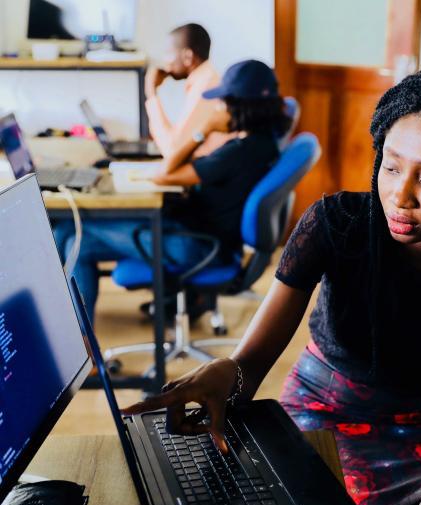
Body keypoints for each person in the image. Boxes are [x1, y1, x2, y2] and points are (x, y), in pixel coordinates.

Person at [124, 57, 421, 505]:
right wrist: (225, 375)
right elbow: (249, 364)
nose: (400, 195)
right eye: (391, 166)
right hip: (319, 415)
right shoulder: (337, 225)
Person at [55, 60, 291, 322]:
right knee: (68, 233)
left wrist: (203, 130)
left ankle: (80, 343)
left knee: (74, 237)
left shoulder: (238, 153)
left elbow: (165, 173)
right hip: (204, 237)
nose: (217, 107)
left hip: (196, 246)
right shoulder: (263, 144)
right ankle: (75, 334)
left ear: (239, 106)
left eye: (222, 101)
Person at [145, 23, 232, 163]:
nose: (165, 62)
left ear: (188, 56)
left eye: (168, 53)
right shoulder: (205, 80)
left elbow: (172, 151)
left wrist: (151, 93)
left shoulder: (205, 88)